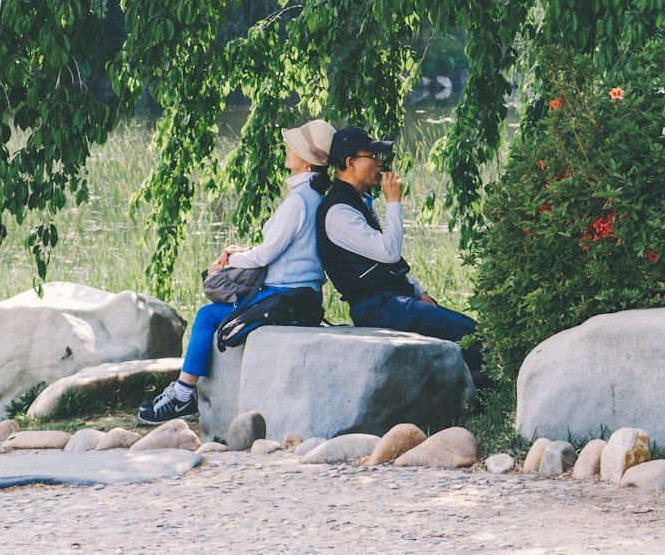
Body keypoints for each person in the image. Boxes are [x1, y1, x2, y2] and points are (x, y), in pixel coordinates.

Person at [139, 119, 336, 424]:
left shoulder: (298, 201)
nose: (287, 148)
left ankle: (182, 397)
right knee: (216, 309)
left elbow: (268, 253)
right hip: (302, 294)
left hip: (284, 295)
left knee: (206, 315)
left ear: (308, 161)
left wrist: (232, 261)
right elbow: (283, 249)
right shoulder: (315, 198)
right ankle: (182, 393)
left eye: (294, 146)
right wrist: (242, 253)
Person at [315, 125, 484, 373]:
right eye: (372, 157)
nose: (379, 163)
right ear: (350, 163)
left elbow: (382, 261)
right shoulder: (338, 212)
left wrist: (416, 289)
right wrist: (394, 202)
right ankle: (480, 396)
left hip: (392, 300)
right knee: (466, 331)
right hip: (376, 308)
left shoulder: (357, 201)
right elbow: (388, 252)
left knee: (467, 328)